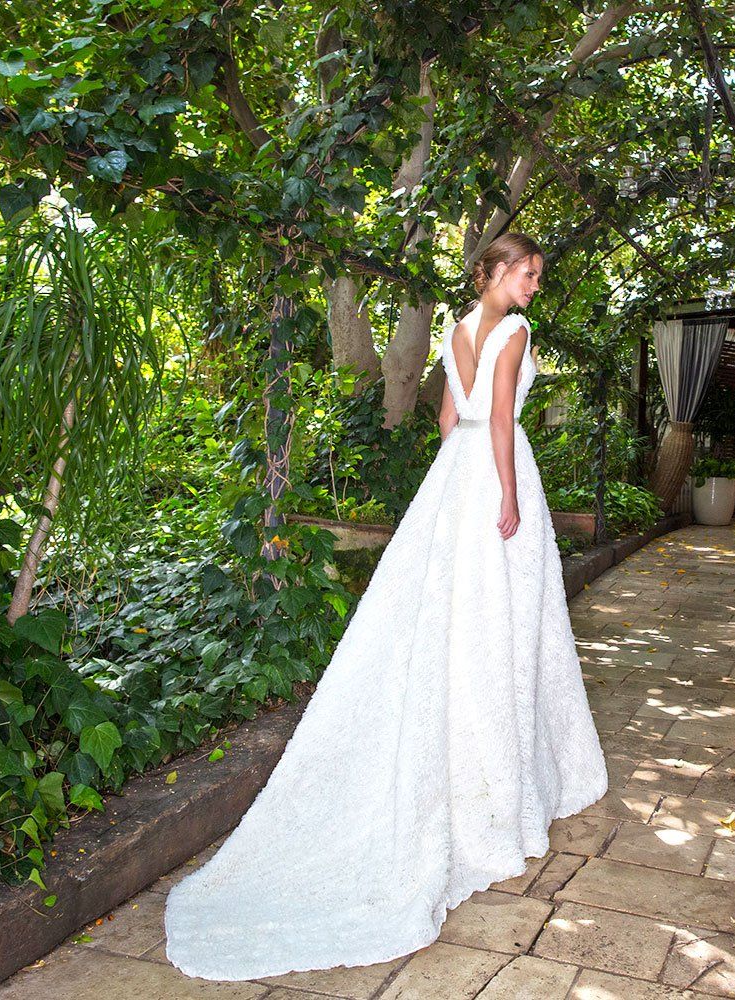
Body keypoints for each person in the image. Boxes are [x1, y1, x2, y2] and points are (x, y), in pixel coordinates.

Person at [162, 233, 609, 980]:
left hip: (454, 474)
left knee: (453, 618)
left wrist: (458, 483)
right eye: (526, 272)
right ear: (497, 271)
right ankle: (495, 789)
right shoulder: (514, 330)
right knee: (501, 622)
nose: (534, 284)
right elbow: (501, 419)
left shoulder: (457, 329)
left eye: (537, 275)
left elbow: (449, 420)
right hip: (495, 473)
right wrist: (506, 495)